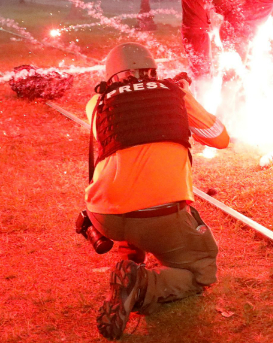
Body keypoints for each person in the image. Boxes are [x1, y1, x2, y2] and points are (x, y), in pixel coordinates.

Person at [84, 42, 229, 340]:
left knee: (127, 196)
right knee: (200, 273)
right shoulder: (174, 93)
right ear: (152, 69)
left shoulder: (95, 103)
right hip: (160, 213)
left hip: (104, 214)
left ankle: (129, 263)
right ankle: (143, 285)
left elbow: (125, 132)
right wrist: (184, 97)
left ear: (111, 76)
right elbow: (219, 138)